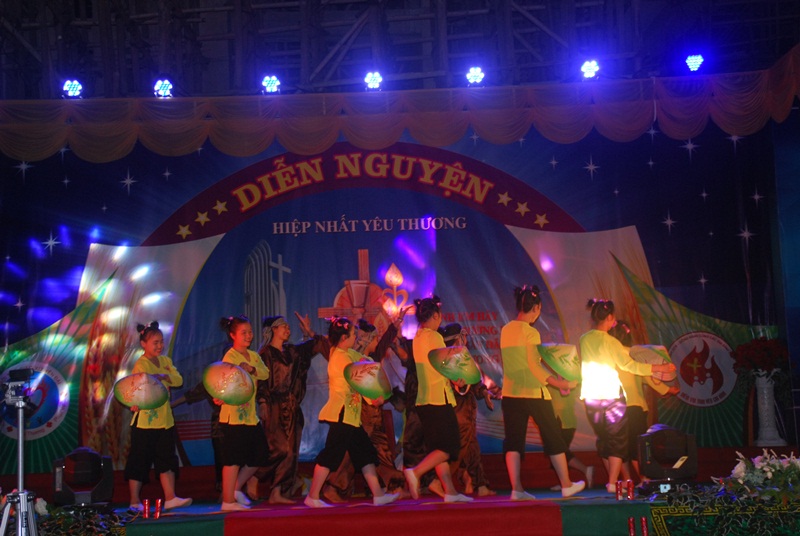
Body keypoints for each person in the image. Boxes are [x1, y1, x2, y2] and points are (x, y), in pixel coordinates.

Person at [579, 299, 676, 493]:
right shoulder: (612, 343)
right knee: (618, 442)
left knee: (605, 441)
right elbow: (629, 365)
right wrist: (658, 368)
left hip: (590, 397)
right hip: (610, 396)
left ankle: (622, 481)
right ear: (610, 317)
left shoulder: (584, 339)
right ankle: (613, 483)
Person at [500, 285, 585, 500]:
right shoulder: (531, 332)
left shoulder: (506, 329)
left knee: (513, 442)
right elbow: (534, 367)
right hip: (534, 394)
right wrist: (559, 383)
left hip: (510, 394)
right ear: (536, 307)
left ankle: (516, 489)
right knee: (553, 437)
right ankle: (566, 485)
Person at [304, 317, 399, 508]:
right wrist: (374, 398)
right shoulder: (340, 358)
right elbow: (359, 381)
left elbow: (365, 361)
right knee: (331, 455)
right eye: (354, 335)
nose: (356, 338)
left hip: (351, 417)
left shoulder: (346, 354)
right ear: (344, 338)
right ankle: (312, 496)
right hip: (342, 414)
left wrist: (368, 361)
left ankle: (378, 495)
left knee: (365, 454)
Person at [247, 313, 330, 504]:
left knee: (291, 452)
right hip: (274, 405)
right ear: (273, 330)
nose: (287, 328)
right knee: (279, 448)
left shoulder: (292, 351)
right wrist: (262, 402)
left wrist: (308, 331)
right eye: (282, 326)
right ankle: (255, 475)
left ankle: (277, 492)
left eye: (287, 326)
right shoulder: (265, 354)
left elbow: (316, 345)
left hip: (292, 406)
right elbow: (262, 381)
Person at [402, 296, 472, 503]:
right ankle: (416, 472)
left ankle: (450, 492)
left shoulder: (418, 336)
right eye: (440, 316)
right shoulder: (434, 337)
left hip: (424, 401)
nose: (441, 319)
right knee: (449, 447)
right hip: (438, 399)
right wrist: (458, 380)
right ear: (434, 315)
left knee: (439, 448)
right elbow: (445, 365)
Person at [124, 321, 192, 512]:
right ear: (144, 344)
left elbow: (178, 379)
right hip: (145, 421)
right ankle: (134, 501)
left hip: (165, 420)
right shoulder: (141, 364)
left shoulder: (166, 361)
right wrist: (135, 401)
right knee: (139, 460)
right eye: (155, 342)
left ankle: (170, 498)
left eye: (161, 341)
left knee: (167, 459)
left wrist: (164, 376)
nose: (160, 346)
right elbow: (137, 387)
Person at [609, 321, 680, 484]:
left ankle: (629, 480)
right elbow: (647, 377)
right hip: (635, 406)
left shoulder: (611, 356)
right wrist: (668, 390)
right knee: (636, 445)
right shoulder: (634, 355)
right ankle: (643, 479)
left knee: (621, 447)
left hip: (616, 406)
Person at [216, 315, 271, 511]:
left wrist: (252, 369)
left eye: (250, 332)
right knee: (232, 459)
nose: (248, 336)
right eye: (243, 333)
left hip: (250, 416)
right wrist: (220, 395)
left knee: (260, 455)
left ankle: (235, 489)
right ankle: (228, 501)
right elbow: (222, 380)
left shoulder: (254, 356)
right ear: (233, 335)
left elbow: (265, 373)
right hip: (233, 417)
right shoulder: (230, 357)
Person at [438, 322, 496, 497]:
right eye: (462, 336)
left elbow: (475, 381)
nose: (465, 339)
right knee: (465, 448)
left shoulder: (462, 357)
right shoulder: (448, 359)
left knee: (467, 448)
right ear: (457, 338)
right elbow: (459, 385)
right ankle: (475, 484)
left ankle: (469, 480)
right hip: (459, 411)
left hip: (464, 410)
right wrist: (462, 386)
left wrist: (484, 393)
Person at [172, 380, 224, 493]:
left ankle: (241, 485)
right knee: (221, 454)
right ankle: (222, 485)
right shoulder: (211, 379)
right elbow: (191, 395)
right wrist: (171, 405)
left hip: (239, 420)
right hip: (219, 423)